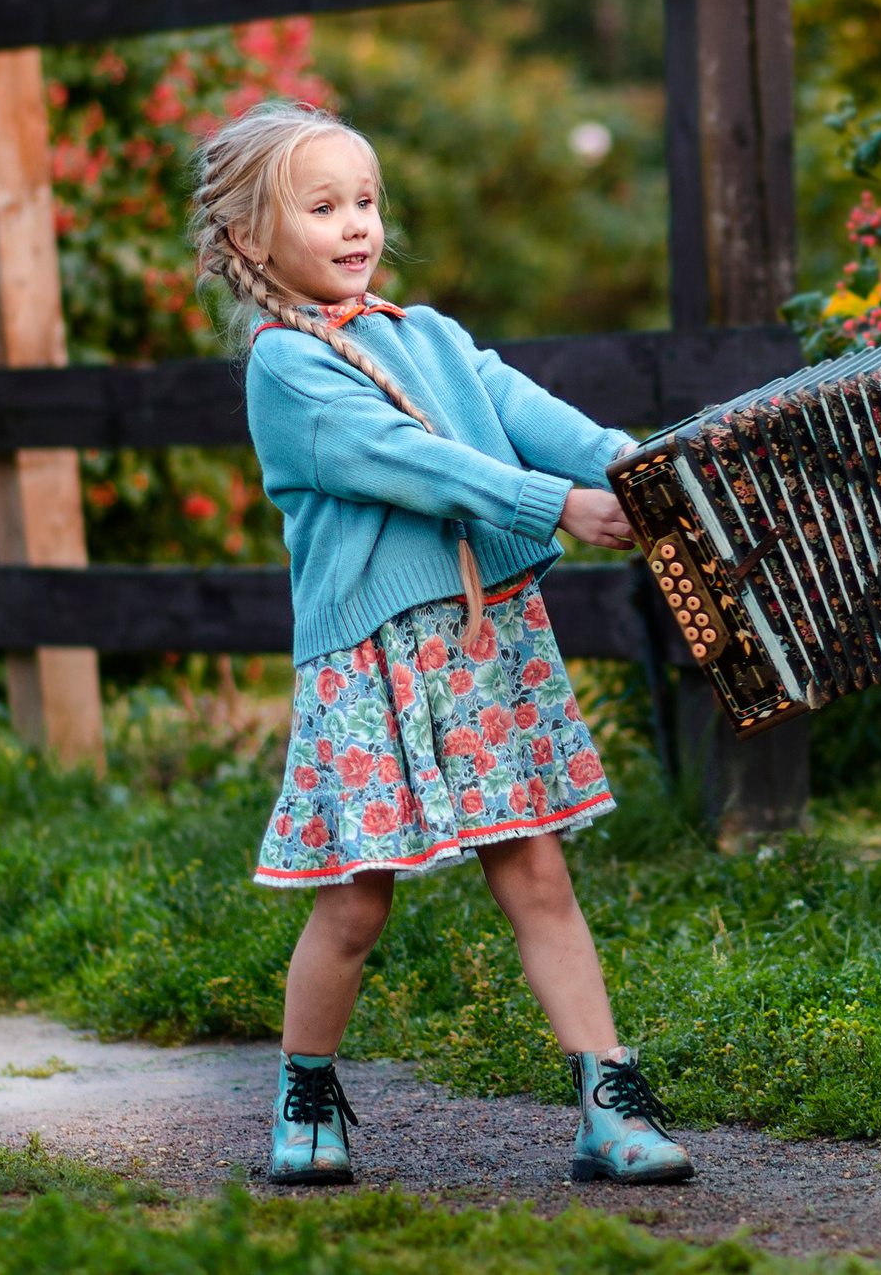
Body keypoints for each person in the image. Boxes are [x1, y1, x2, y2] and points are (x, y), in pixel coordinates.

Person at [190, 99, 693, 1188]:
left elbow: (534, 414)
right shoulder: (286, 366)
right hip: (373, 660)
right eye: (321, 207)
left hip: (480, 642)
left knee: (537, 873)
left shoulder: (428, 335)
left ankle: (608, 1103)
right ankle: (306, 1095)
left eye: (365, 201)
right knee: (356, 899)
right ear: (249, 240)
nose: (355, 225)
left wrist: (644, 469)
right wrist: (558, 505)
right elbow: (414, 462)